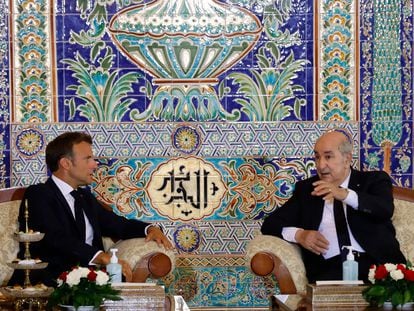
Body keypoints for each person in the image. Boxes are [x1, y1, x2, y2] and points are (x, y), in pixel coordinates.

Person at [8, 132, 174, 286]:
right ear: (65, 163)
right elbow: (54, 238)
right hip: (49, 281)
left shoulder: (84, 197)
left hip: (92, 281)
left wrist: (149, 229)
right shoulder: (39, 194)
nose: (95, 164)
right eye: (88, 159)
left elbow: (117, 224)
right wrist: (101, 257)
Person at [261, 129, 405, 283]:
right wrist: (300, 235)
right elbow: (270, 224)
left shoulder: (373, 180)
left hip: (377, 266)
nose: (321, 165)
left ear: (347, 159)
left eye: (328, 156)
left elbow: (384, 209)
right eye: (317, 157)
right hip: (329, 270)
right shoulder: (308, 189)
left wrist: (344, 194)